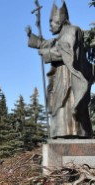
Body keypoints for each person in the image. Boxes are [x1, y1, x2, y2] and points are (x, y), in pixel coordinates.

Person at [26, 1, 93, 138]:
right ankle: (63, 133)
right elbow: (47, 44)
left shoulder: (72, 31)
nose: (49, 26)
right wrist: (32, 36)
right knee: (59, 106)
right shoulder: (60, 37)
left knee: (68, 104)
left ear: (60, 20)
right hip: (60, 77)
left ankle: (75, 133)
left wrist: (46, 53)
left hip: (70, 77)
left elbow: (65, 51)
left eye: (52, 22)